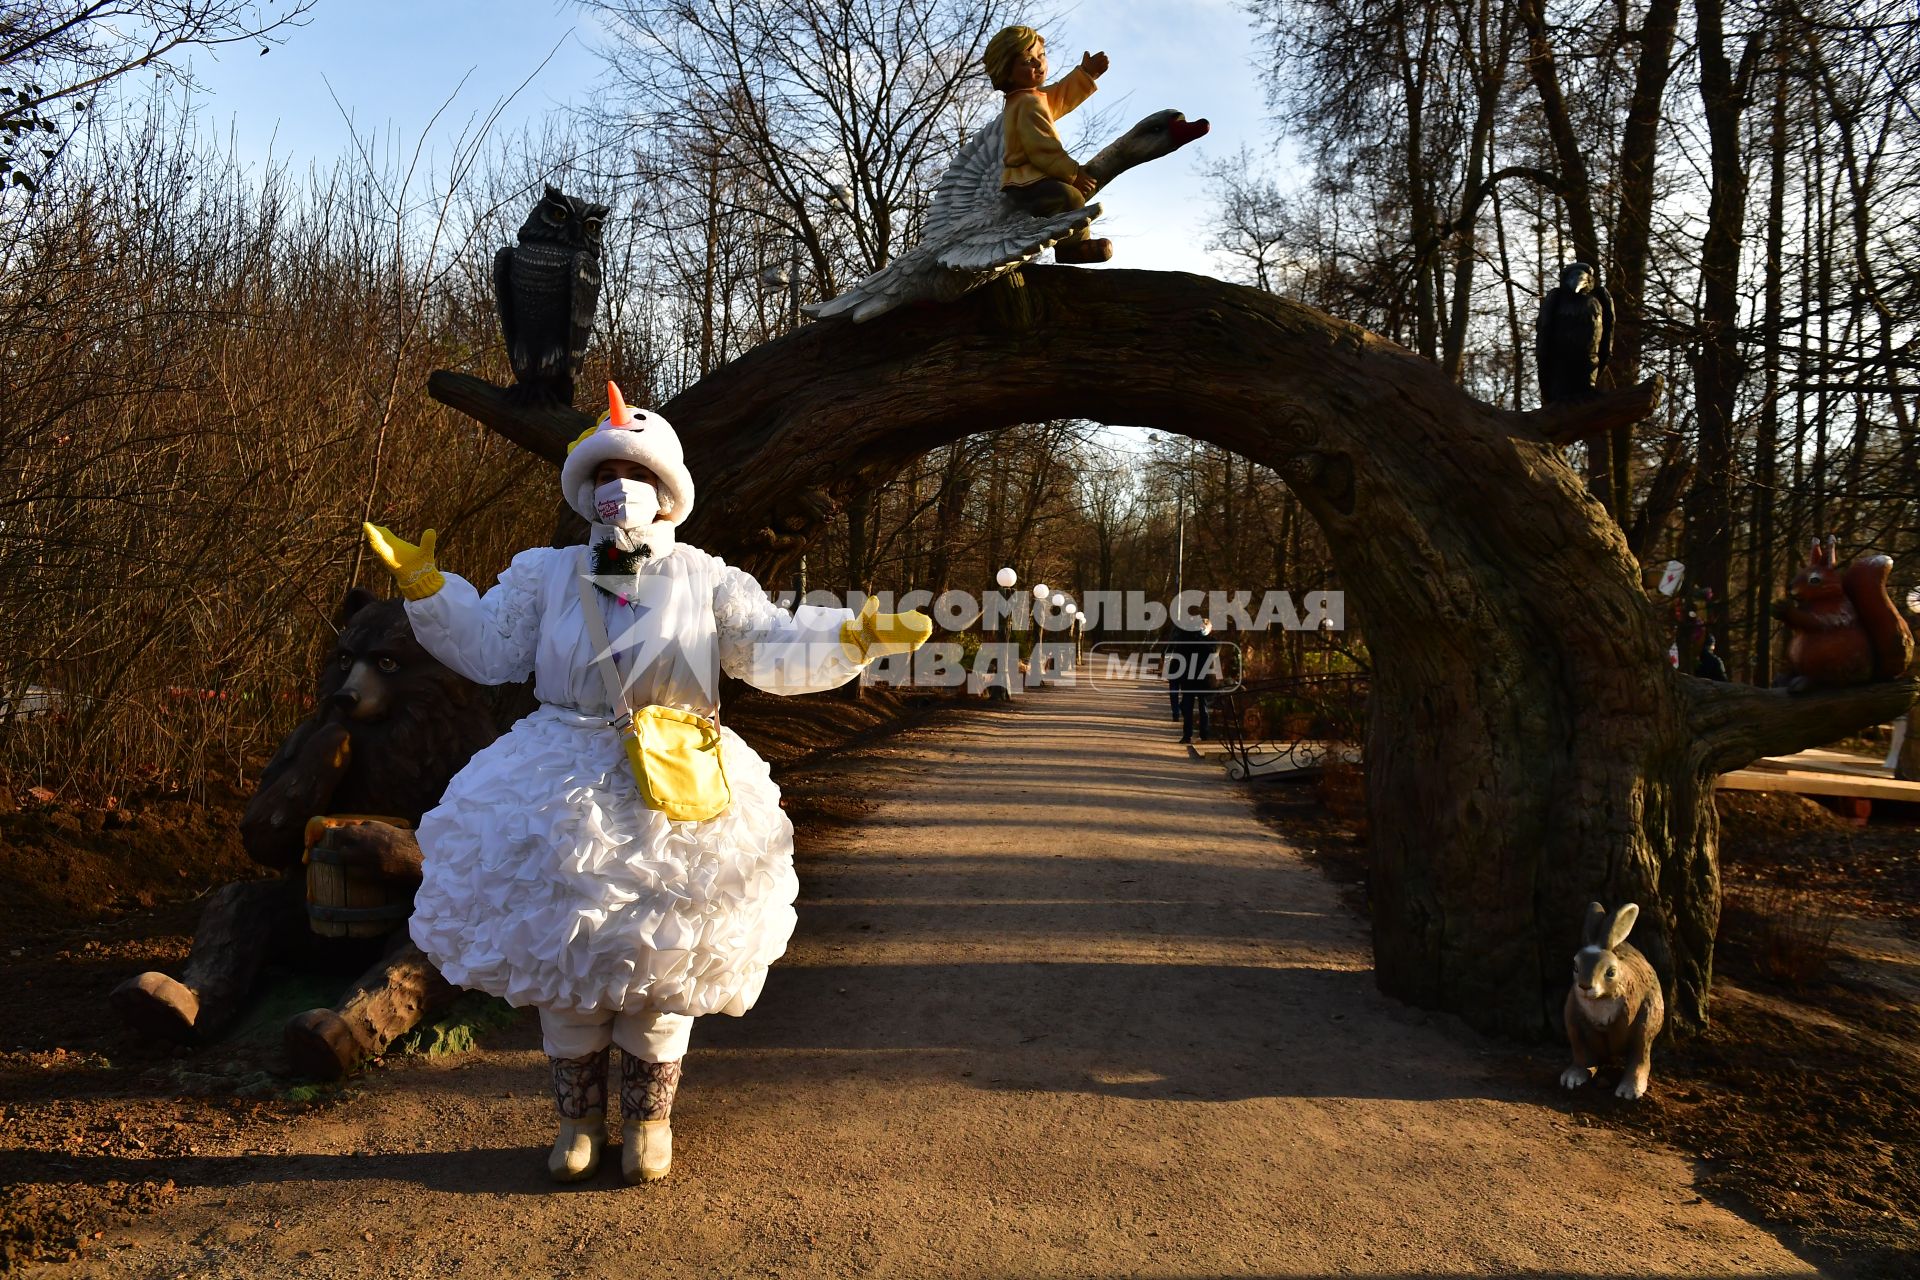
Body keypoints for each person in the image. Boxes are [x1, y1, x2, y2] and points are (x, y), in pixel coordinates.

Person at [361, 383, 930, 1185]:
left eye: (634, 473)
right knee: (567, 954)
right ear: (585, 487)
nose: (616, 489)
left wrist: (851, 638)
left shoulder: (708, 577)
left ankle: (652, 1120)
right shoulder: (546, 574)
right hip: (559, 773)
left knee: (667, 956)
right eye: (604, 473)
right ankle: (577, 1122)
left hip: (680, 776)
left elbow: (769, 647)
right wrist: (431, 591)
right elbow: (489, 650)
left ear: (667, 491)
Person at [984, 25, 1112, 263]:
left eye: (1041, 56)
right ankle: (1072, 247)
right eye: (1027, 62)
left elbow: (1058, 97)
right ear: (1007, 71)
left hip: (1029, 179)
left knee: (1070, 196)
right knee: (1071, 197)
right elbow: (1042, 147)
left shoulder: (1029, 98)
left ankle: (1072, 241)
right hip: (1025, 184)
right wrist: (1073, 174)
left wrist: (1085, 74)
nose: (1039, 64)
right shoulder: (1025, 104)